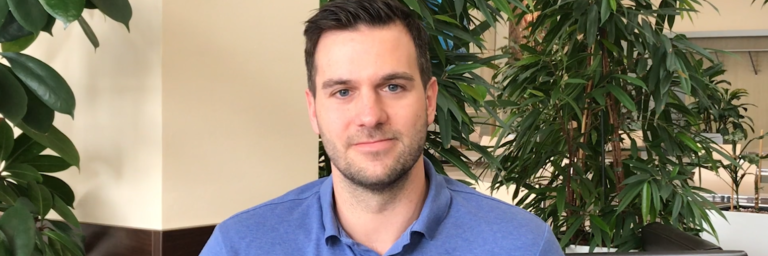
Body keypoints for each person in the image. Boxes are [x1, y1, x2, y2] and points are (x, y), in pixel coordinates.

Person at [199, 0, 563, 255]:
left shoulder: (522, 246)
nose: (370, 116)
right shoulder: (240, 246)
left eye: (393, 87)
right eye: (343, 91)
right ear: (313, 112)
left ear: (430, 100)